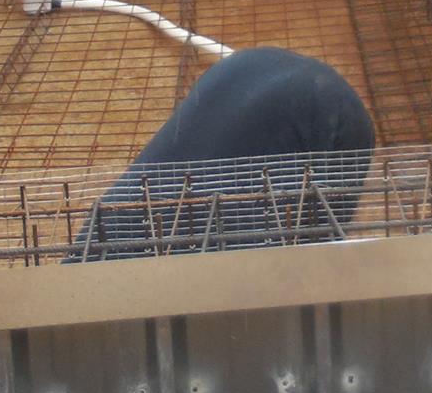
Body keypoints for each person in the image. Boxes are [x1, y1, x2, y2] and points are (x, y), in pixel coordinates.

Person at [82, 48, 374, 259]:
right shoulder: (101, 235)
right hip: (250, 70)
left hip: (313, 106)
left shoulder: (103, 248)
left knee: (315, 256)